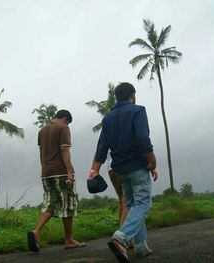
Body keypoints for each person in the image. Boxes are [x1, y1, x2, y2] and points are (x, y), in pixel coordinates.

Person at [89, 82, 158, 262]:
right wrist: (152, 160)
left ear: (116, 97)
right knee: (143, 204)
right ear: (133, 95)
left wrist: (94, 170)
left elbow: (102, 146)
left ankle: (142, 247)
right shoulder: (138, 111)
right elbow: (143, 138)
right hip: (137, 166)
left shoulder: (108, 118)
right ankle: (121, 237)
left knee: (134, 205)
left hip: (120, 170)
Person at [28, 110, 85, 252]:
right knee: (68, 204)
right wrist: (70, 172)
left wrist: (45, 168)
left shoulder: (42, 131)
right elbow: (65, 151)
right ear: (65, 119)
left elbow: (41, 154)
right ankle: (69, 240)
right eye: (68, 122)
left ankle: (36, 232)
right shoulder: (63, 128)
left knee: (50, 203)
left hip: (46, 173)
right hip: (61, 172)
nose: (67, 124)